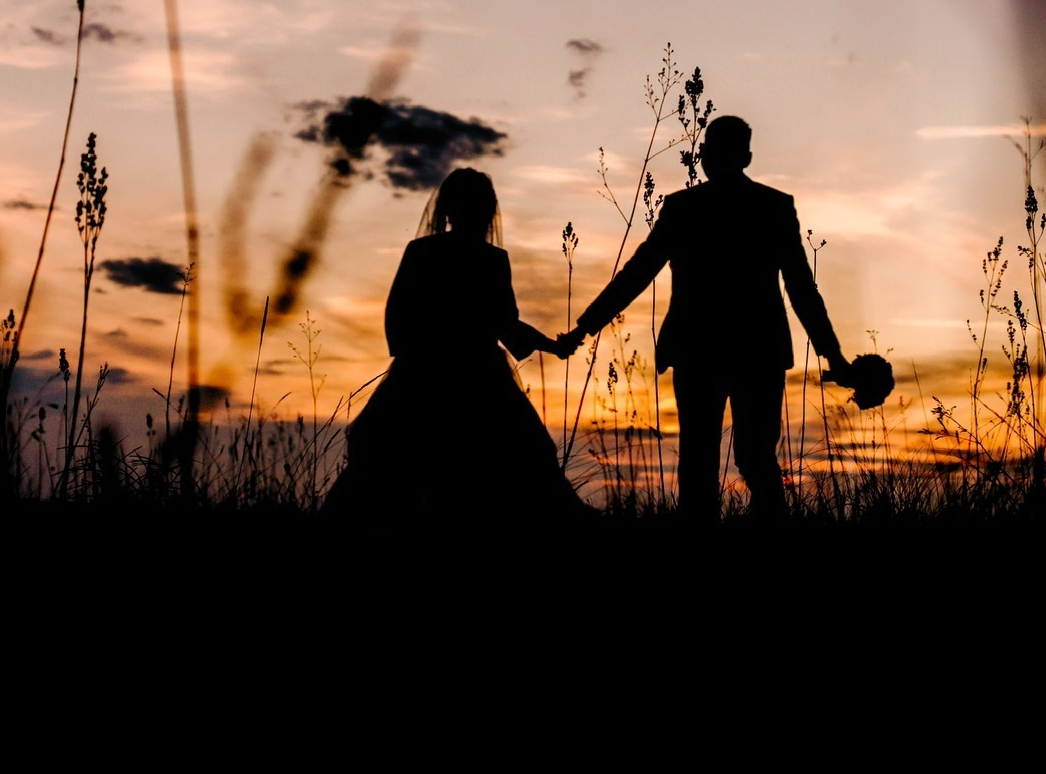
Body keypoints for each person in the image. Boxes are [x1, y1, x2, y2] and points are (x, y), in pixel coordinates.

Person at [558, 116, 846, 519]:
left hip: (697, 352)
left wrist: (583, 328)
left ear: (705, 155)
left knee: (697, 461)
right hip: (758, 351)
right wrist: (833, 354)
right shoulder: (775, 206)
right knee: (757, 458)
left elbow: (637, 274)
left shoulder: (682, 208)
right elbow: (801, 288)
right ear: (747, 157)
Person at [326, 167, 588, 519]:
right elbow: (501, 324)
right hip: (469, 376)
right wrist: (552, 347)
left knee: (395, 454)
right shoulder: (484, 259)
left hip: (427, 373)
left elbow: (403, 313)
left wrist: (551, 347)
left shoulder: (436, 253)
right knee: (522, 453)